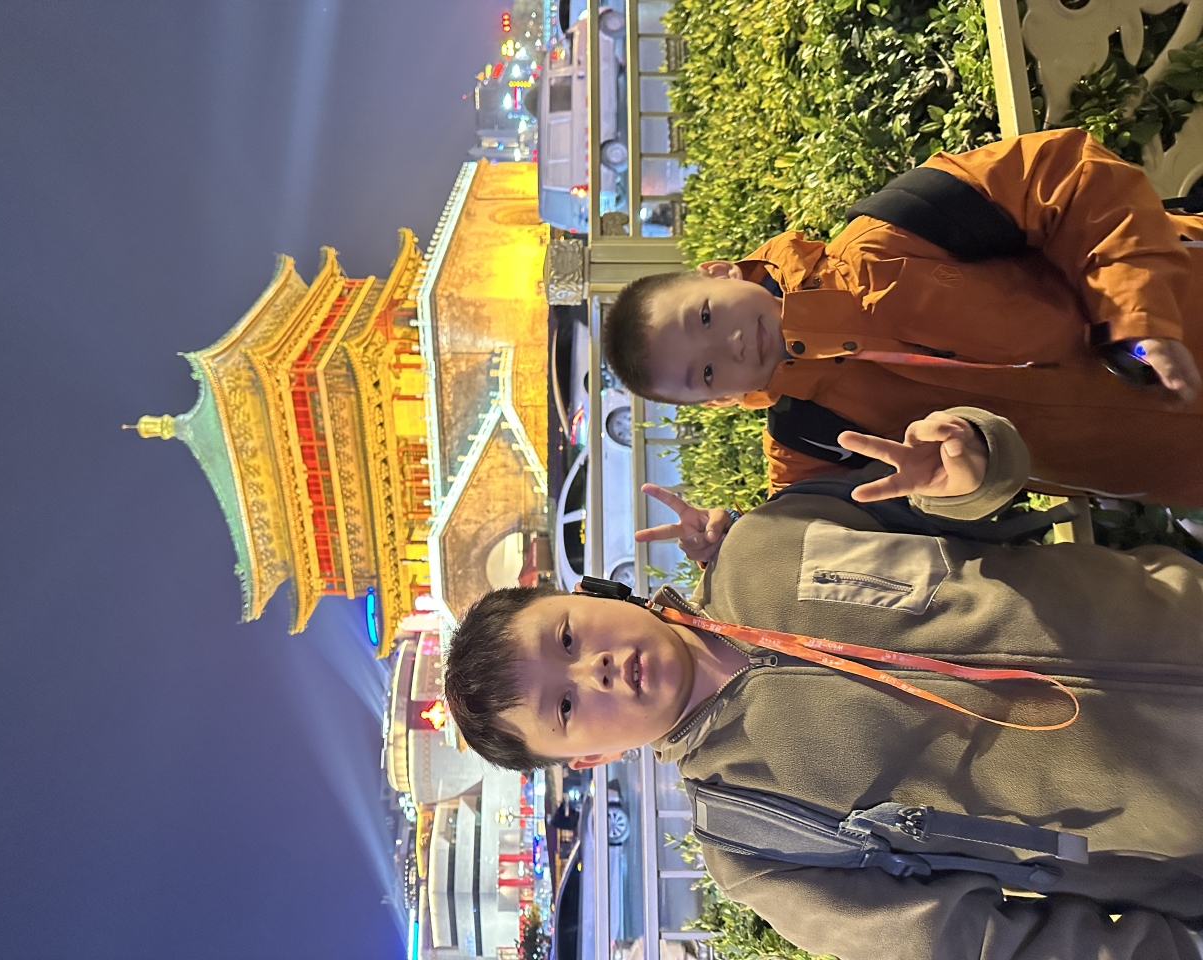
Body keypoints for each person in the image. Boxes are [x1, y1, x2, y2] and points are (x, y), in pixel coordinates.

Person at [444, 405, 1203, 960]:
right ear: (588, 759)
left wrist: (975, 457)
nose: (595, 669)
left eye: (567, 637)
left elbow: (977, 501)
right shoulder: (752, 841)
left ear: (584, 596)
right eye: (566, 705)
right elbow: (967, 946)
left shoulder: (766, 541)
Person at [600, 127, 1203, 506]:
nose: (729, 346)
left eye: (705, 318)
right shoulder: (809, 436)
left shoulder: (892, 232)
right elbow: (810, 542)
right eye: (706, 373)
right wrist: (728, 542)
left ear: (720, 272)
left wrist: (1137, 313)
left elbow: (1066, 173)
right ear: (720, 401)